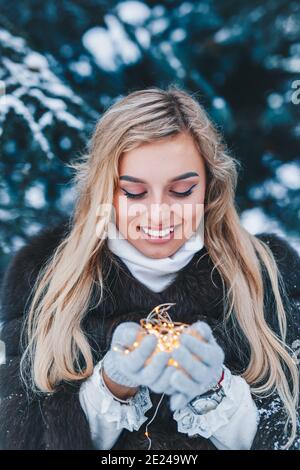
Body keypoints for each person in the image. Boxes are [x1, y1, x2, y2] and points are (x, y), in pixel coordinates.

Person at [0, 86, 299, 450]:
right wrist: (111, 387)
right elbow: (18, 438)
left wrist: (214, 392)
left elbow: (290, 431)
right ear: (104, 190)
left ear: (210, 186)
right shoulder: (43, 276)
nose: (159, 213)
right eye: (134, 193)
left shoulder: (270, 273)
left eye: (182, 190)